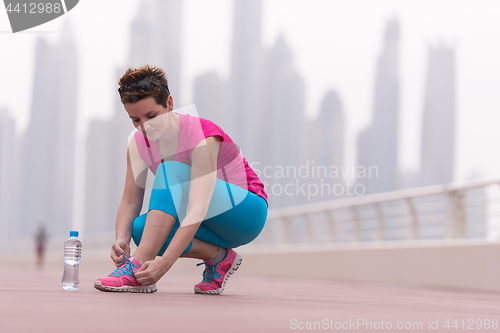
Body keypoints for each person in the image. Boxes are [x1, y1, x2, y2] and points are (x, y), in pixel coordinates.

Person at [94, 65, 268, 294]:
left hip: (245, 213)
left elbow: (198, 206)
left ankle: (135, 271)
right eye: (135, 119)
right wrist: (121, 239)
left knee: (171, 170)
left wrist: (164, 263)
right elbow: (130, 202)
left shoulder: (201, 134)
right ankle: (220, 258)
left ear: (169, 103)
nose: (144, 127)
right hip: (206, 222)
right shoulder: (137, 144)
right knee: (140, 229)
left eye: (151, 116)